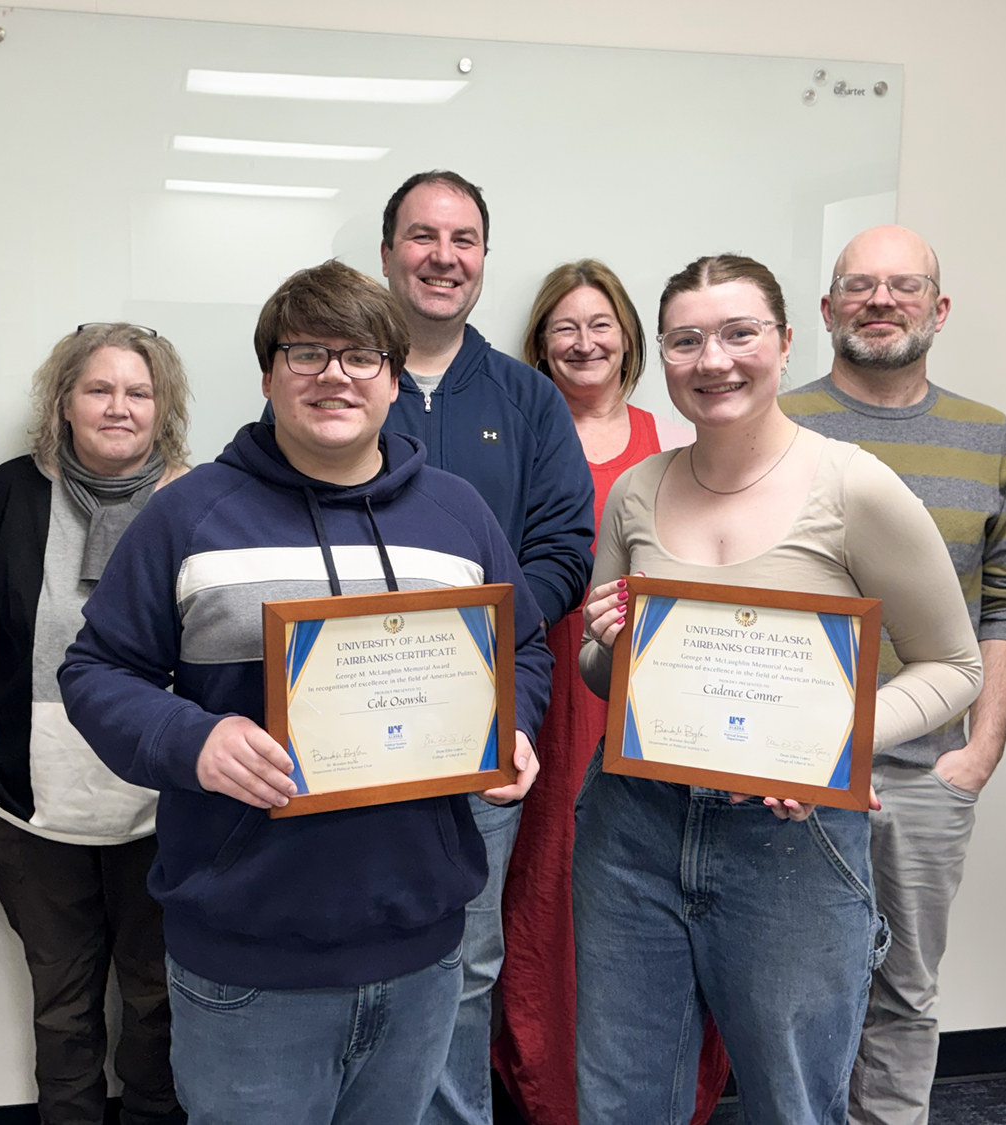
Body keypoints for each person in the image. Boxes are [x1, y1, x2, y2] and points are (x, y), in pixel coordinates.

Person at [59, 259, 547, 1125]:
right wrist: (192, 739)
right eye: (306, 352)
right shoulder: (188, 515)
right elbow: (96, 671)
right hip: (249, 961)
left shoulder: (459, 513)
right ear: (266, 376)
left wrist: (516, 727)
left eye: (360, 355)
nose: (334, 375)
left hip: (424, 948)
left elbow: (524, 649)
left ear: (395, 380)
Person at [574, 253, 982, 1125]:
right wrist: (608, 644)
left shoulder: (853, 485)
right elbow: (609, 682)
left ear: (786, 342)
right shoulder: (637, 491)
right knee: (621, 1099)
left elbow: (955, 668)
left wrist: (831, 746)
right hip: (632, 828)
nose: (713, 359)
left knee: (794, 1103)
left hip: (789, 838)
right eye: (686, 340)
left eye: (738, 333)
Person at [778, 225, 1006, 1125]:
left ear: (939, 306)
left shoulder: (989, 436)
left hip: (930, 767)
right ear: (826, 309)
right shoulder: (776, 424)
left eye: (903, 285)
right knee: (787, 987)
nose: (880, 301)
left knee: (906, 987)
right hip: (793, 767)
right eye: (859, 285)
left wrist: (982, 750)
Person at [377, 170, 594, 1125]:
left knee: (467, 959)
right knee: (358, 949)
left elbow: (564, 550)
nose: (442, 256)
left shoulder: (528, 398)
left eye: (462, 239)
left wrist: (472, 640)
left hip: (486, 724)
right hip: (355, 719)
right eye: (422, 236)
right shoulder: (340, 377)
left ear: (482, 259)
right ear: (388, 253)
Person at [0, 323, 191, 1125]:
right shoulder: (12, 491)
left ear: (163, 408)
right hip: (27, 800)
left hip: (162, 804)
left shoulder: (197, 500)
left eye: (138, 392)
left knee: (157, 1001)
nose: (119, 407)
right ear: (65, 403)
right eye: (100, 389)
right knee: (62, 1001)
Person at [495, 259, 719, 1125]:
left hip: (644, 687)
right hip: (551, 679)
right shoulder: (522, 435)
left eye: (600, 324)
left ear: (629, 337)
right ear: (540, 345)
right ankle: (550, 1087)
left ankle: (660, 1088)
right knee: (546, 874)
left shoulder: (674, 442)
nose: (585, 343)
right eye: (564, 328)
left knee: (652, 877)